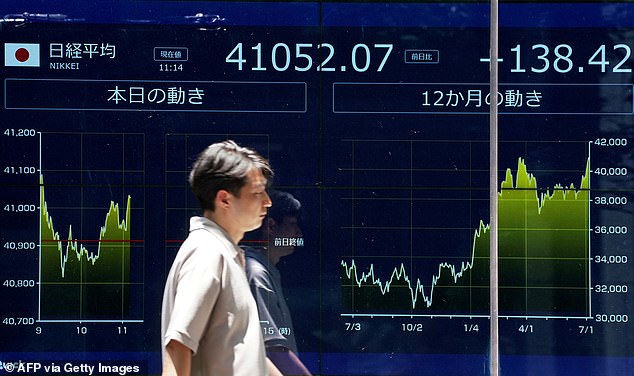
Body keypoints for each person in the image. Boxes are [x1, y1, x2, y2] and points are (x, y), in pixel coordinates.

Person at [161, 140, 282, 376]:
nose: (268, 201)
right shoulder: (207, 253)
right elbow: (178, 346)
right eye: (257, 193)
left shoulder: (225, 253)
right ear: (224, 199)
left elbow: (244, 354)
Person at [244, 190, 312, 376]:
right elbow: (274, 351)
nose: (298, 232)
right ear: (271, 227)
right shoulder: (257, 274)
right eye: (292, 224)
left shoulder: (263, 270)